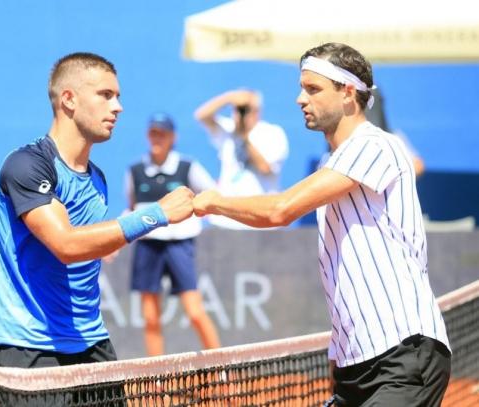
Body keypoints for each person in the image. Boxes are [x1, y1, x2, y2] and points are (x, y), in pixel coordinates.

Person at [193, 43, 451, 406]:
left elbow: (280, 210)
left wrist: (211, 201)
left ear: (348, 93)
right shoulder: (332, 163)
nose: (300, 99)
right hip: (355, 366)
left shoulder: (375, 146)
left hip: (403, 355)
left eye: (313, 89)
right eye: (302, 88)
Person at [0, 52, 195, 369]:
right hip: (29, 346)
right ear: (69, 99)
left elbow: (88, 245)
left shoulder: (97, 179)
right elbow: (66, 245)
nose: (118, 107)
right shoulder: (27, 165)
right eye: (105, 95)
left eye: (118, 97)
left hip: (91, 342)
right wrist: (157, 213)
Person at [125, 112, 221, 356]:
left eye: (162, 133)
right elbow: (132, 205)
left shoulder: (188, 167)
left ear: (172, 137)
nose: (157, 138)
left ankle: (222, 371)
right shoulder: (135, 170)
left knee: (195, 312)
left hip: (180, 245)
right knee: (150, 317)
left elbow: (212, 197)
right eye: (153, 133)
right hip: (148, 246)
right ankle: (157, 383)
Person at [194, 89, 289, 229]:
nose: (240, 114)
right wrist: (229, 98)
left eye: (244, 110)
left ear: (257, 111)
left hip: (260, 219)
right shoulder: (228, 129)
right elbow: (201, 116)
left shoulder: (272, 133)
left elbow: (265, 168)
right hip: (226, 220)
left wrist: (244, 137)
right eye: (237, 109)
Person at [365, 86, 425, 177]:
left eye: (375, 101)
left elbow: (418, 166)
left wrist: (387, 177)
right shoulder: (346, 138)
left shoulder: (393, 137)